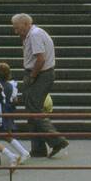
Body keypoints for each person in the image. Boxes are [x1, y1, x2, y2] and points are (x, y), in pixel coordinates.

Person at [13, 13, 68, 158]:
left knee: (34, 110)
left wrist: (32, 76)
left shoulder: (34, 35)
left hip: (40, 75)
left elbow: (40, 59)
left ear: (25, 24)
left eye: (17, 28)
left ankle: (57, 140)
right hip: (40, 74)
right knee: (31, 110)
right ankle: (38, 148)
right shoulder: (34, 33)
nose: (16, 31)